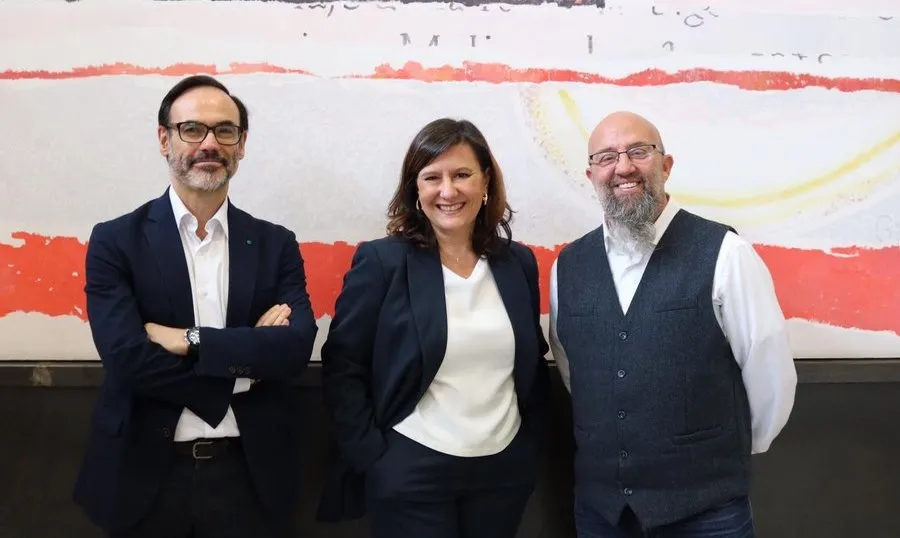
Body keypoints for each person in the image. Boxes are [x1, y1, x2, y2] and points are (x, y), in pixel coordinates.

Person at [73, 75, 318, 538]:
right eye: (192, 129)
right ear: (164, 139)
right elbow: (126, 359)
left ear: (241, 144)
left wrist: (189, 340)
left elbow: (294, 349)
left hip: (250, 476)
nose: (209, 144)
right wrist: (240, 369)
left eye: (225, 130)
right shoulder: (115, 241)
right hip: (144, 477)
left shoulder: (275, 244)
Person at [548, 111, 797, 538]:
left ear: (666, 165)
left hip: (708, 513)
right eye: (607, 157)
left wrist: (723, 456)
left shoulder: (726, 254)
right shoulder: (567, 266)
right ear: (591, 176)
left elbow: (768, 371)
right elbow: (575, 371)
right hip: (602, 513)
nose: (623, 167)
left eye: (638, 152)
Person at [317, 118, 550, 537]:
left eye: (462, 175)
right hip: (411, 468)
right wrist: (373, 457)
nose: (448, 190)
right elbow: (343, 363)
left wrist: (528, 447)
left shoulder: (517, 263)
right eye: (432, 177)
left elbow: (532, 359)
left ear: (485, 182)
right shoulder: (382, 262)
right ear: (415, 189)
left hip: (503, 470)